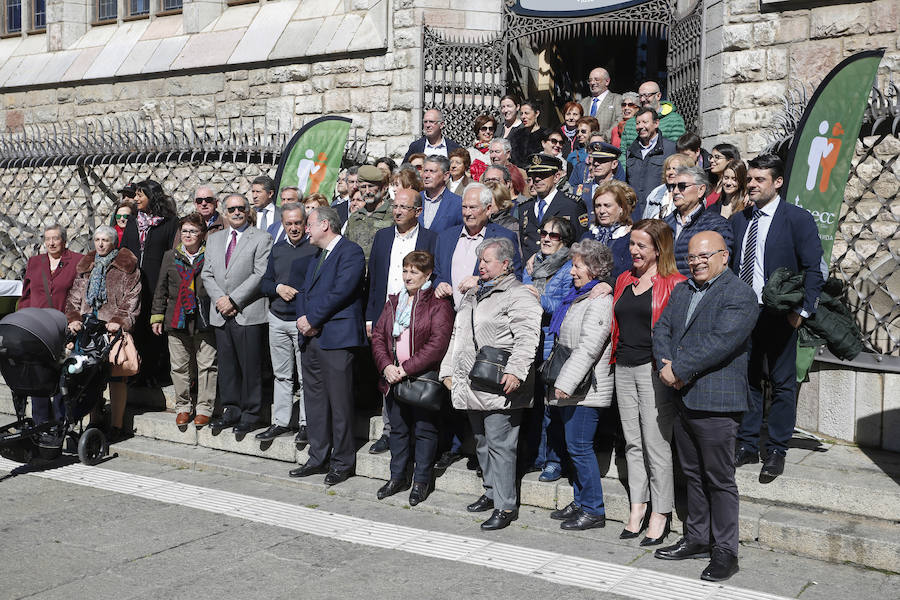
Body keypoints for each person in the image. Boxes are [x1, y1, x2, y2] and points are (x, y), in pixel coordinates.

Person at [652, 231, 758, 582]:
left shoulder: (740, 294)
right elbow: (662, 329)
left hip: (716, 400)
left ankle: (726, 550)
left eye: (704, 256)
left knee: (719, 479)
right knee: (693, 474)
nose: (695, 262)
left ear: (724, 256)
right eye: (691, 258)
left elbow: (722, 341)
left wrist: (678, 371)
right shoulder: (683, 290)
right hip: (683, 396)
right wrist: (668, 367)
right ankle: (696, 537)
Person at [731, 154, 824, 479]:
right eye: (750, 179)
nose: (752, 185)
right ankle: (747, 444)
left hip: (781, 314)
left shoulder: (796, 219)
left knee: (783, 384)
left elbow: (814, 268)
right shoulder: (740, 219)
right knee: (750, 380)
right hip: (746, 313)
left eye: (760, 180)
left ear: (778, 182)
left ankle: (776, 450)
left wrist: (802, 311)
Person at [439, 237, 541, 530]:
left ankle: (505, 506)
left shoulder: (519, 294)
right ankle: (490, 491)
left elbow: (528, 337)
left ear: (506, 264)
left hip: (500, 383)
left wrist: (517, 372)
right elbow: (458, 335)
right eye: (480, 260)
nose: (480, 265)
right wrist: (447, 370)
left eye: (487, 261)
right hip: (472, 381)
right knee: (482, 442)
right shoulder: (473, 294)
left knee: (501, 444)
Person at [610, 218, 687, 546]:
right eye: (632, 244)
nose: (634, 251)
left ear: (659, 249)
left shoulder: (675, 282)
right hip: (623, 366)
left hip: (653, 369)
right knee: (633, 443)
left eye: (642, 245)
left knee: (656, 444)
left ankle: (661, 513)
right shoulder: (624, 279)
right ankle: (637, 506)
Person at [290, 206, 367, 486]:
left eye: (309, 224)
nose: (305, 229)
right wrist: (303, 320)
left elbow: (342, 290)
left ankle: (342, 461)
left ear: (325, 224)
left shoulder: (351, 252)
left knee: (339, 402)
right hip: (311, 338)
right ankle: (318, 455)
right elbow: (304, 292)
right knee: (315, 401)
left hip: (336, 338)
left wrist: (313, 318)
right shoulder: (317, 256)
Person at [371, 250, 454, 505]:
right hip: (393, 378)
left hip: (419, 379)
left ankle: (421, 481)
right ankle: (397, 477)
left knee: (424, 431)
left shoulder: (437, 304)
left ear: (427, 274)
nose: (408, 276)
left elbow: (437, 344)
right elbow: (378, 337)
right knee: (398, 430)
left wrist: (406, 368)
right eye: (405, 270)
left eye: (414, 272)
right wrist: (386, 366)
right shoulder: (394, 302)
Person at [547, 239, 616, 530]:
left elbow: (589, 346)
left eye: (577, 266)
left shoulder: (599, 301)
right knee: (573, 447)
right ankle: (581, 500)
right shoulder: (579, 297)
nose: (572, 271)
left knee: (580, 447)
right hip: (572, 387)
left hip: (586, 389)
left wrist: (565, 382)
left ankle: (593, 510)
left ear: (594, 269)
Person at [365, 188, 440, 453]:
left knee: (413, 372)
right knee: (388, 371)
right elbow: (374, 279)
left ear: (417, 212)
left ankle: (416, 431)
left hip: (419, 317)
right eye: (395, 206)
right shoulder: (383, 237)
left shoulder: (431, 238)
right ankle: (390, 431)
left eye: (403, 207)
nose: (396, 211)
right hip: (388, 316)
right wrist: (370, 317)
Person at [201, 193, 272, 435]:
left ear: (248, 210)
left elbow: (259, 274)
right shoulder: (215, 239)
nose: (237, 212)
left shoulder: (262, 238)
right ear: (225, 211)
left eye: (241, 208)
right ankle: (231, 409)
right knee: (228, 365)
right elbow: (207, 274)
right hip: (221, 312)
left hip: (248, 312)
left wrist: (233, 300)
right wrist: (221, 300)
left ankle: (251, 413)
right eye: (231, 209)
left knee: (250, 365)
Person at [65, 225, 141, 441]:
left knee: (117, 377)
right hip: (88, 329)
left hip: (111, 330)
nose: (100, 244)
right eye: (97, 239)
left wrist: (119, 320)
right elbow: (74, 297)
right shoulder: (87, 266)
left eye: (105, 240)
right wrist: (74, 318)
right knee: (88, 377)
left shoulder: (127, 267)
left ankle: (117, 425)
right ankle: (94, 421)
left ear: (113, 242)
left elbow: (132, 298)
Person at [522, 216, 577, 483]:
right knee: (534, 408)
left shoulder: (569, 268)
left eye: (553, 235)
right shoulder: (533, 264)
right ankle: (538, 456)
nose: (545, 238)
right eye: (543, 233)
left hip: (553, 344)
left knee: (552, 408)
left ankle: (555, 461)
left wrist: (540, 298)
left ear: (564, 241)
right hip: (530, 341)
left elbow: (568, 306)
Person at [257, 203, 317, 442]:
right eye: (289, 223)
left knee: (304, 377)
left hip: (301, 321)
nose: (294, 228)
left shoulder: (314, 249)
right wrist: (278, 288)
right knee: (281, 375)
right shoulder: (278, 248)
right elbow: (264, 283)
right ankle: (280, 421)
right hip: (277, 318)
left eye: (298, 223)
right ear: (282, 224)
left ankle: (305, 423)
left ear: (305, 223)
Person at [150, 213, 217, 428]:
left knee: (206, 365)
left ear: (202, 235)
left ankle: (205, 408)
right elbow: (161, 287)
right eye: (184, 231)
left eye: (193, 231)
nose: (187, 235)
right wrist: (157, 316)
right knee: (179, 366)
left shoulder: (211, 255)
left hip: (203, 319)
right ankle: (183, 407)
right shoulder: (171, 256)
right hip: (176, 319)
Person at [19, 224, 83, 428]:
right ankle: (40, 423)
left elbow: (81, 294)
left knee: (60, 375)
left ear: (64, 241)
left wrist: (76, 318)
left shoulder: (76, 261)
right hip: (36, 326)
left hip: (62, 327)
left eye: (55, 238)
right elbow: (27, 295)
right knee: (38, 374)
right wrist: (23, 319)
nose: (51, 243)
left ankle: (60, 421)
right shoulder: (35, 262)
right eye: (48, 239)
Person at [120, 179, 179, 387]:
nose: (135, 199)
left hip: (157, 282)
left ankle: (157, 373)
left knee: (156, 328)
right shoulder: (134, 221)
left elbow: (172, 253)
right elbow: (124, 250)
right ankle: (137, 371)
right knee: (136, 328)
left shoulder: (170, 222)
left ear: (151, 197)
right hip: (134, 284)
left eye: (140, 195)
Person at [434, 183, 522, 307]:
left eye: (473, 207)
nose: (467, 213)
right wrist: (439, 284)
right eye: (464, 207)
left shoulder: (504, 238)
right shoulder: (445, 237)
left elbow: (514, 279)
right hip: (449, 314)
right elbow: (437, 273)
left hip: (485, 314)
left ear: (488, 209)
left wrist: (481, 282)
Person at [664, 166, 734, 276]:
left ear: (700, 190)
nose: (675, 191)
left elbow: (720, 266)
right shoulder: (664, 224)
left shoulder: (717, 225)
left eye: (682, 186)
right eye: (673, 186)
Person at [518, 153, 588, 260]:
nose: (537, 179)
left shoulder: (572, 205)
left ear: (556, 177)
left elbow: (580, 243)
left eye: (543, 174)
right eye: (534, 174)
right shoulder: (524, 208)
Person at [625, 108, 677, 216]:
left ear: (656, 123)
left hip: (659, 212)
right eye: (638, 123)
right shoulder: (631, 151)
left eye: (645, 122)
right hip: (635, 213)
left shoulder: (670, 149)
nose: (640, 126)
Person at [583, 180, 635, 278]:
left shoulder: (630, 239)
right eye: (598, 206)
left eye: (607, 205)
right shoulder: (588, 236)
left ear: (621, 208)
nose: (602, 211)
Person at [619, 81, 687, 153]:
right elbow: (623, 152)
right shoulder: (630, 123)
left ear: (658, 96)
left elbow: (676, 151)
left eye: (646, 95)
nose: (642, 99)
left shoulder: (674, 120)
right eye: (640, 96)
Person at [345, 165, 393, 262]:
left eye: (371, 186)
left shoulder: (393, 213)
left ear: (381, 187)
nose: (367, 191)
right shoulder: (355, 217)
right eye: (363, 187)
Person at [643, 153, 695, 220]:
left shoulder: (692, 193)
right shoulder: (655, 193)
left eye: (675, 169)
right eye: (668, 169)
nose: (670, 172)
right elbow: (644, 220)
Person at [419, 155, 464, 234]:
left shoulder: (457, 203)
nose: (427, 175)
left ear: (446, 176)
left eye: (432, 171)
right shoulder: (415, 198)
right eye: (425, 171)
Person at [578, 142, 621, 215]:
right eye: (595, 160)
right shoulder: (582, 188)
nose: (596, 163)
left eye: (602, 160)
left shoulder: (622, 191)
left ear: (614, 164)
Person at [580, 68, 622, 135]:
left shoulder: (617, 99)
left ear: (607, 81)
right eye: (590, 80)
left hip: (606, 143)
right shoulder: (583, 102)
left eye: (597, 79)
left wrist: (603, 138)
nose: (592, 83)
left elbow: (620, 121)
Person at [509, 100, 544, 168]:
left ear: (536, 113)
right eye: (521, 114)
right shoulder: (516, 135)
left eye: (526, 113)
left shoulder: (546, 135)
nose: (523, 117)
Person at [468, 114, 495, 180]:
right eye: (484, 128)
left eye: (490, 129)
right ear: (477, 131)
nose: (488, 131)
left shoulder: (498, 150)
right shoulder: (469, 152)